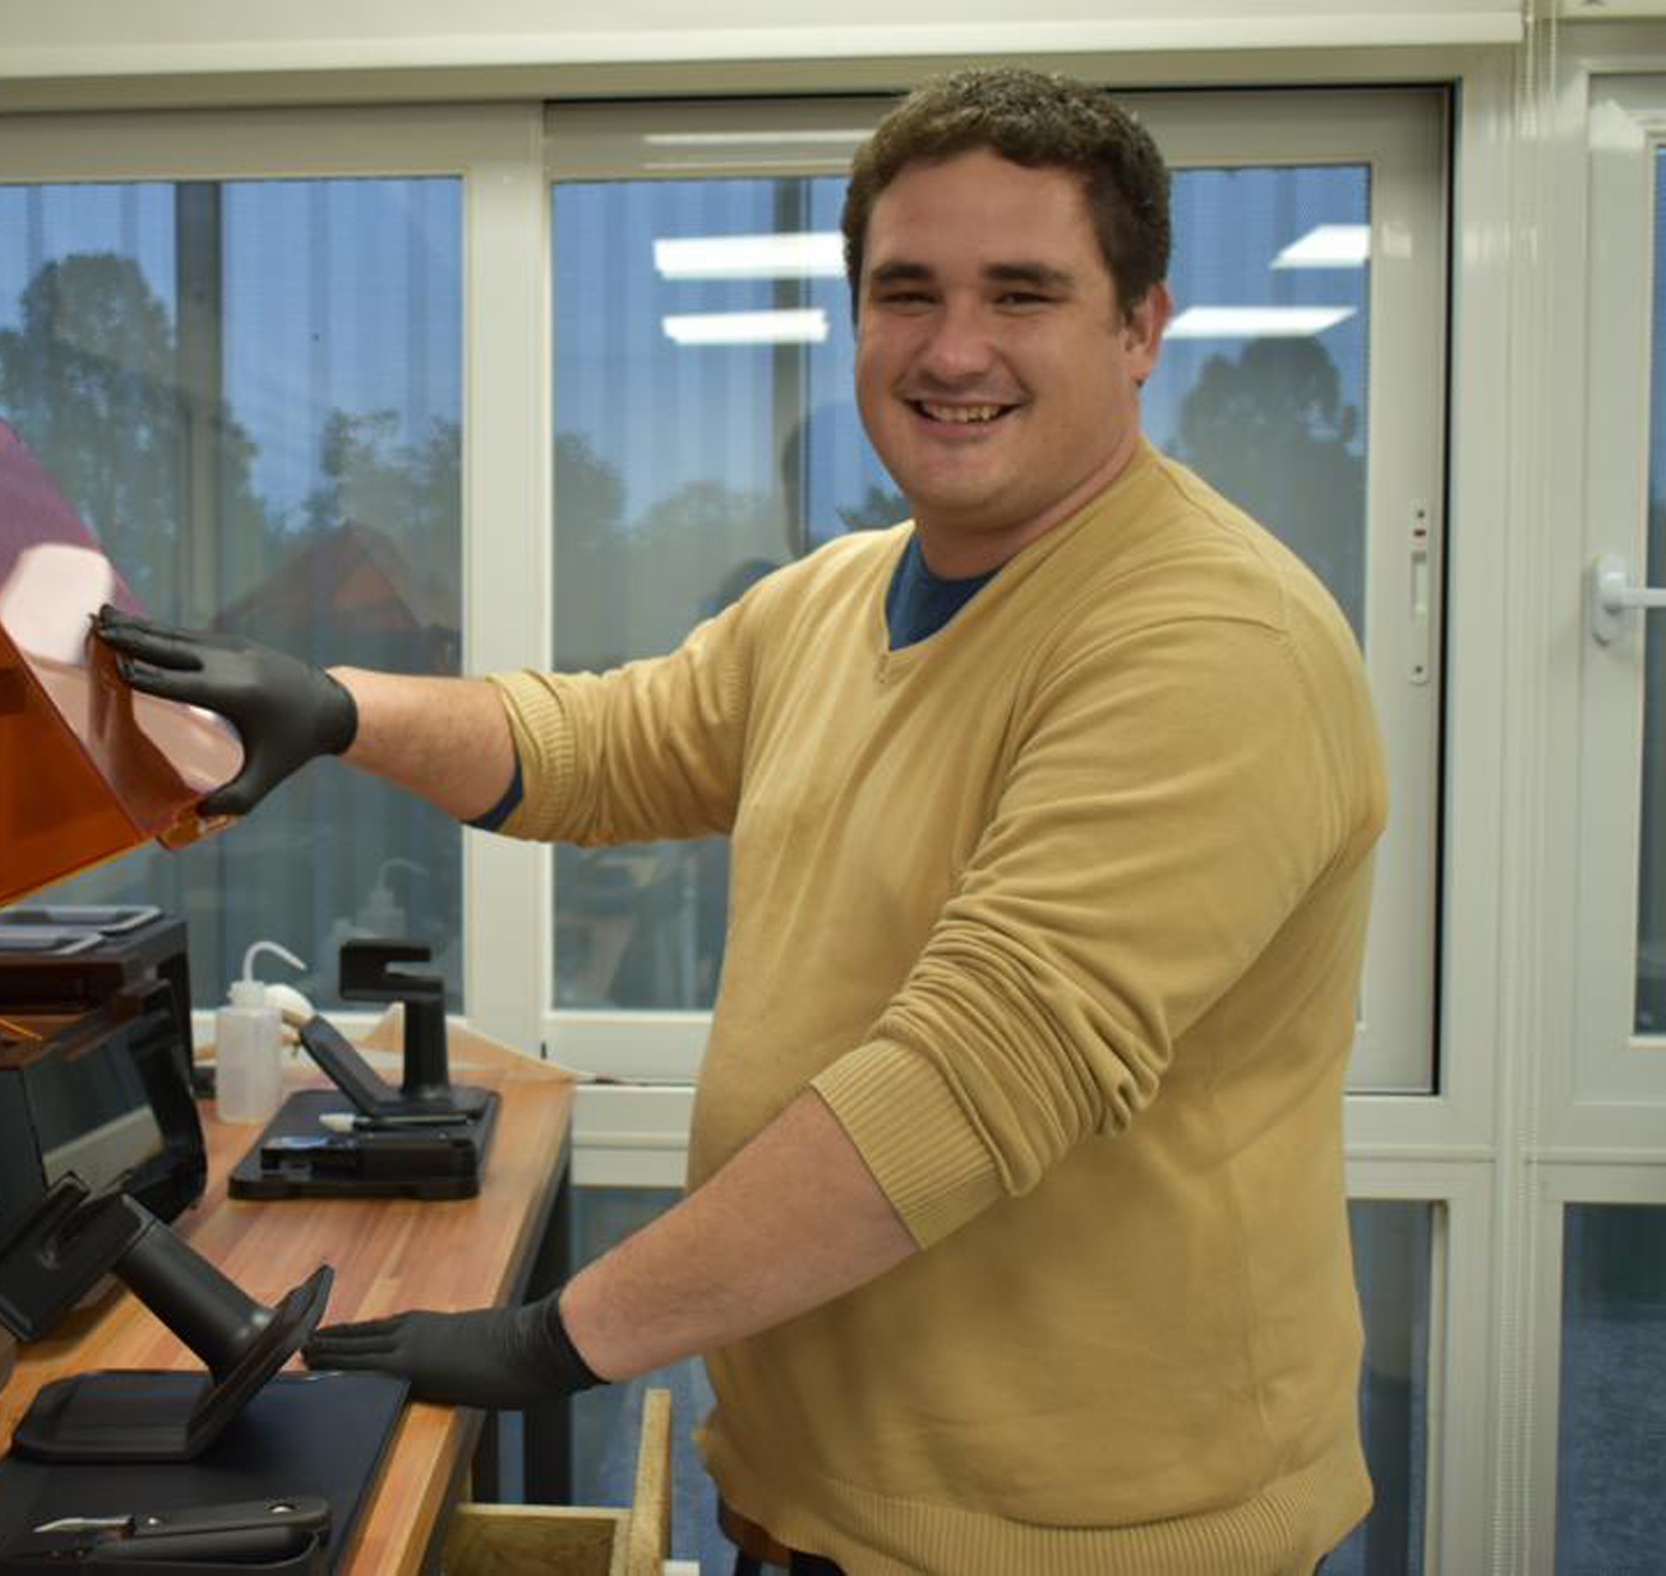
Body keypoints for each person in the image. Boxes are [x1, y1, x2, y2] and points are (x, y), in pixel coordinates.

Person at [99, 66, 1383, 1575]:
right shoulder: (836, 597)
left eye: (1022, 293)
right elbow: (603, 746)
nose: (953, 348)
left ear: (1140, 327)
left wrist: (558, 1338)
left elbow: (978, 1076)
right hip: (821, 1475)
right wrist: (333, 704)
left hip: (1082, 1528)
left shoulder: (1207, 637)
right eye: (906, 293)